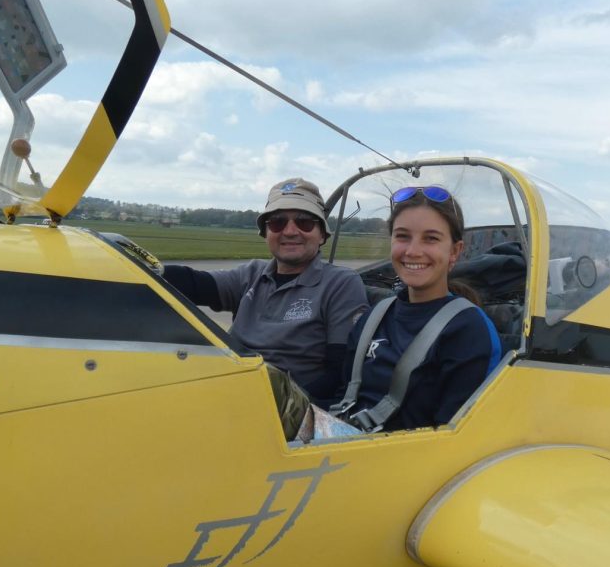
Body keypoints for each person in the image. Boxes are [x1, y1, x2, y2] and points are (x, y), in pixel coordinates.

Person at [283, 185, 501, 441]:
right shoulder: (376, 316)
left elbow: (455, 438)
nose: (412, 251)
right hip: (340, 438)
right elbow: (343, 393)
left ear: (454, 251)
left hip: (402, 457)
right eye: (402, 237)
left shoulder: (468, 330)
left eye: (431, 238)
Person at [160, 178, 369, 403]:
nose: (290, 231)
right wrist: (142, 268)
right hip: (225, 387)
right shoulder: (252, 274)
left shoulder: (340, 283)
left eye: (305, 222)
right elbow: (192, 283)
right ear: (266, 233)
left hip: (285, 407)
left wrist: (281, 404)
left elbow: (340, 372)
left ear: (321, 234)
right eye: (278, 223)